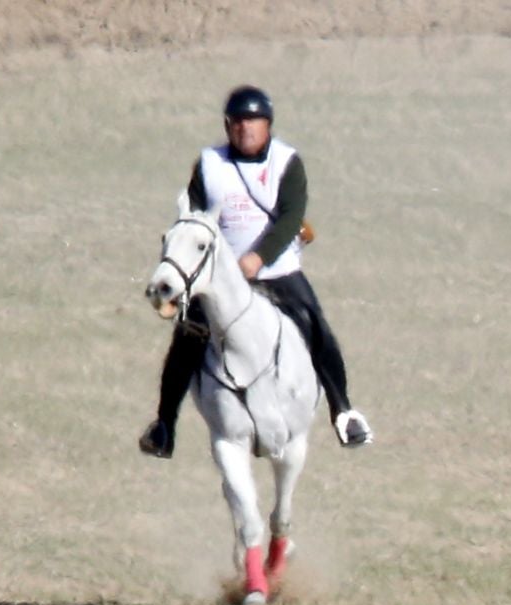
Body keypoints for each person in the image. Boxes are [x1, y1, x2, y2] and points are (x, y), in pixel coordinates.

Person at [139, 85, 372, 458]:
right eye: (238, 122)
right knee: (187, 336)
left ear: (267, 125)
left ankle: (343, 411)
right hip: (220, 280)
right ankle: (164, 425)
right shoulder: (209, 165)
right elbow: (192, 220)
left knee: (314, 324)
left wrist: (258, 258)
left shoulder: (286, 163)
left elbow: (291, 218)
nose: (245, 129)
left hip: (278, 269)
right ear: (228, 125)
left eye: (253, 121)